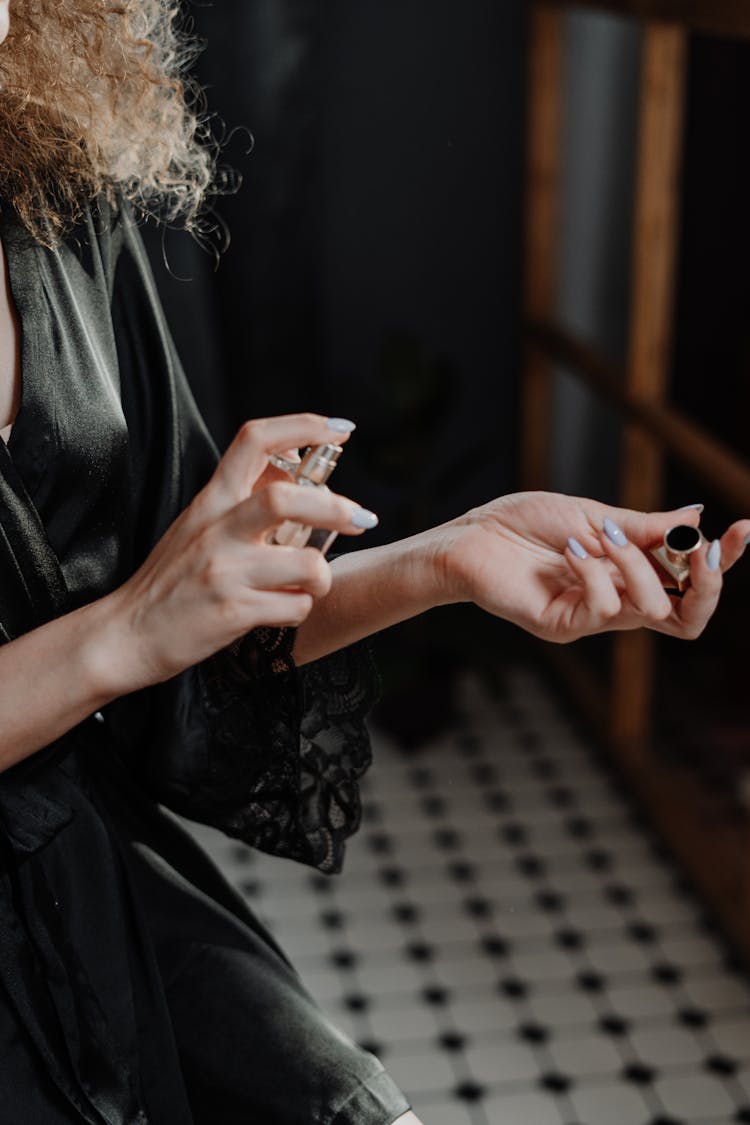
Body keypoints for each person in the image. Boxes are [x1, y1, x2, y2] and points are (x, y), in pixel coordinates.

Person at [0, 2, 747, 1123]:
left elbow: (189, 649)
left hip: (85, 883)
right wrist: (122, 634)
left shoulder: (44, 192)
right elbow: (137, 633)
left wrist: (456, 556)